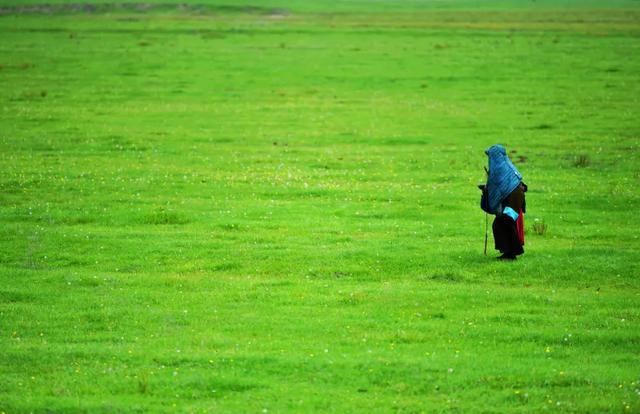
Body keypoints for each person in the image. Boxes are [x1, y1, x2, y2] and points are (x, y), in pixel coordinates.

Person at [479, 144, 527, 260]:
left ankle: (511, 254)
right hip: (515, 197)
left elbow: (498, 187)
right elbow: (500, 187)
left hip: (513, 199)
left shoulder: (499, 168)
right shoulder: (505, 165)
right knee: (502, 224)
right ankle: (509, 252)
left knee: (504, 222)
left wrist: (487, 190)